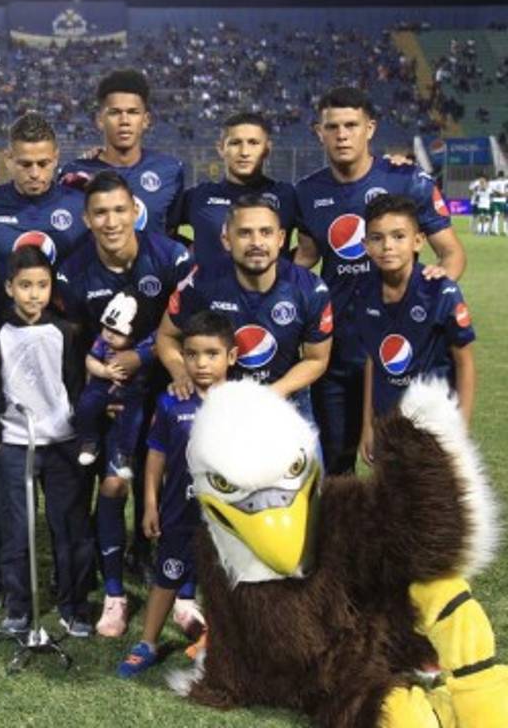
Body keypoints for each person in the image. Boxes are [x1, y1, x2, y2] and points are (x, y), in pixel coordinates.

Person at [295, 86, 464, 476]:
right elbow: (306, 257)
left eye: (351, 125)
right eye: (332, 126)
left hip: (398, 350)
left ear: (369, 128)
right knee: (336, 461)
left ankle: (403, 538)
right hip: (334, 352)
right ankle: (343, 539)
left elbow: (452, 254)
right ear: (318, 132)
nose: (342, 135)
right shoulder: (307, 192)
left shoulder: (407, 180)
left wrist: (429, 296)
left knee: (404, 463)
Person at [0, 111, 88, 614]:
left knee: (67, 474)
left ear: (57, 161)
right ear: (8, 159)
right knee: (0, 473)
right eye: (25, 163)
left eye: (44, 163)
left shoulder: (77, 205)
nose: (35, 173)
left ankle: (71, 579)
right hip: (1, 354)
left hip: (61, 355)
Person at [55, 170, 193, 638]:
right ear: (86, 218)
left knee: (177, 485)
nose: (111, 221)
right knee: (115, 485)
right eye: (100, 213)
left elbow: (191, 324)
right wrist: (101, 390)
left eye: (119, 210)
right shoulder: (73, 273)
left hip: (173, 388)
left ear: (136, 210)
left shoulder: (171, 256)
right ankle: (114, 594)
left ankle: (182, 587)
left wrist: (144, 355)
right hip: (117, 396)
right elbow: (74, 347)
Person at [0, 246, 94, 638]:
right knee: (17, 530)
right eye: (25, 286)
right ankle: (19, 607)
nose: (34, 294)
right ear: (9, 287)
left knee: (69, 528)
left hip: (62, 444)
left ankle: (73, 606)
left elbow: (76, 387)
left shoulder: (65, 331)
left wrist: (79, 435)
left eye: (42, 285)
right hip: (15, 444)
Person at [117, 311, 235, 678]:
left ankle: (217, 643)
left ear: (231, 357)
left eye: (212, 354)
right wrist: (150, 504)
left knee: (223, 582)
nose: (202, 363)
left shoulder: (241, 402)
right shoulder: (171, 402)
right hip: (178, 511)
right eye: (193, 354)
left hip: (226, 518)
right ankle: (147, 642)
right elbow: (156, 456)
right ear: (181, 357)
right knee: (167, 576)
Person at [159, 195, 333, 418]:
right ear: (226, 239)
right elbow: (167, 336)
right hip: (217, 397)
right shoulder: (201, 282)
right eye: (244, 233)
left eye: (266, 232)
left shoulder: (310, 289)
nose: (256, 243)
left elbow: (316, 359)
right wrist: (181, 372)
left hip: (284, 397)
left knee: (307, 455)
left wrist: (271, 394)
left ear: (281, 239)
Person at [356, 194, 476, 462]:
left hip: (434, 424)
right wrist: (367, 425)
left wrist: (461, 427)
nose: (388, 246)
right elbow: (372, 360)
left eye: (399, 236)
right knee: (392, 498)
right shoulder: (363, 292)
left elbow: (465, 362)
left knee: (431, 499)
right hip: (389, 422)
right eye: (377, 238)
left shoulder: (441, 291)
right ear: (365, 245)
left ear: (418, 240)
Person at [57, 69, 185, 237]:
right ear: (100, 120)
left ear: (146, 120)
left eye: (133, 112)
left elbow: (172, 232)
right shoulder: (74, 174)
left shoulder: (170, 170)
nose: (124, 121)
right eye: (115, 112)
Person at [179, 112, 299, 275]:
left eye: (253, 143)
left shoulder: (287, 195)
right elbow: (162, 230)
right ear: (221, 148)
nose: (244, 152)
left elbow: (314, 241)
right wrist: (191, 251)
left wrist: (287, 270)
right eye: (235, 143)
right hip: (212, 298)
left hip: (269, 298)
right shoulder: (198, 196)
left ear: (267, 149)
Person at [76, 291, 156, 473]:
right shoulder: (102, 343)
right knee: (86, 405)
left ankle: (124, 455)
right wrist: (104, 371)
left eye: (118, 332)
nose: (110, 335)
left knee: (133, 421)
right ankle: (89, 441)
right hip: (101, 385)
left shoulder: (143, 345)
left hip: (133, 392)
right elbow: (90, 360)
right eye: (107, 328)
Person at [490, 169, 508, 236]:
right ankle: (505, 231)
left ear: (498, 175)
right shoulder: (505, 182)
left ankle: (496, 231)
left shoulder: (492, 182)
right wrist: (504, 194)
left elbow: (491, 192)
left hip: (495, 200)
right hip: (503, 201)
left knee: (496, 215)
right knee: (505, 216)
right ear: (503, 176)